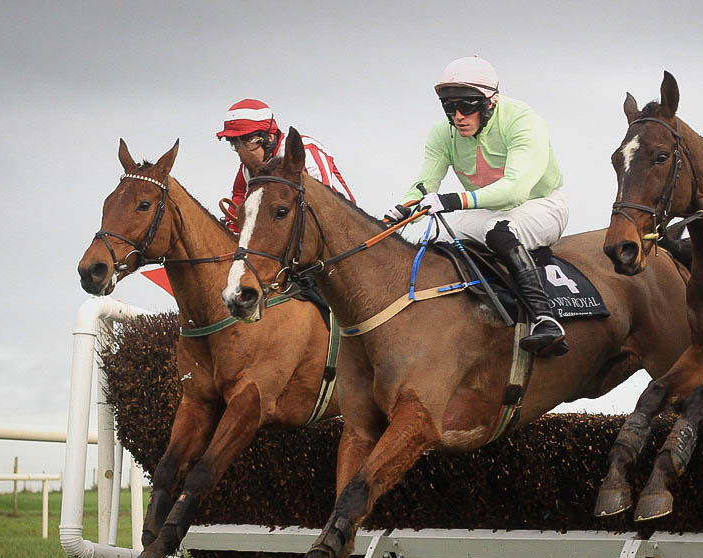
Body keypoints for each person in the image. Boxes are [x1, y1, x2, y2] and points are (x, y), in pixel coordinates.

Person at [383, 56, 570, 356]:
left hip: (542, 205)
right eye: (449, 107)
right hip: (486, 209)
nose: (458, 116)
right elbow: (425, 184)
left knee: (498, 230)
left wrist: (451, 201)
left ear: (490, 102)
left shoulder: (523, 120)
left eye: (467, 106)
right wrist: (403, 209)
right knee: (430, 238)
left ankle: (546, 320)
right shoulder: (442, 133)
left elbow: (515, 191)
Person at [216, 98, 355, 233]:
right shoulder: (248, 168)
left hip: (343, 230)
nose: (243, 152)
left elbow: (323, 205)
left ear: (269, 137)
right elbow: (239, 197)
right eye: (236, 144)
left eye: (249, 142)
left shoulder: (307, 151)